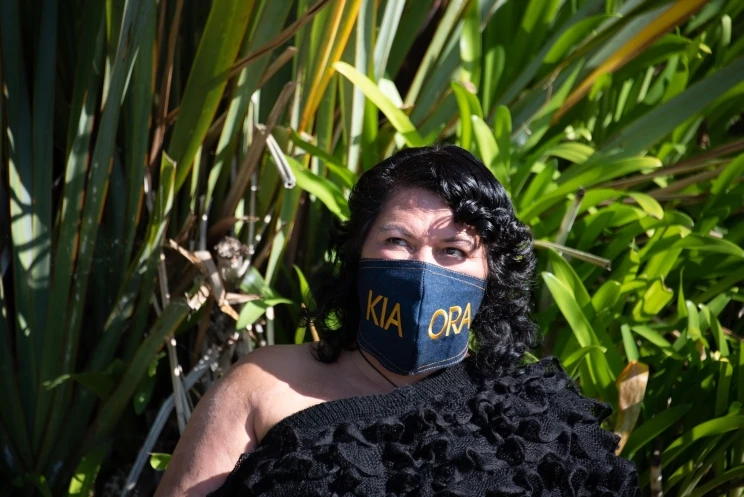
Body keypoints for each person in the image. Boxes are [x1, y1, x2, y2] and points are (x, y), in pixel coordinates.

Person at [155, 145, 639, 496]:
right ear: (358, 255)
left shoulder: (540, 421)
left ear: (491, 275)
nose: (422, 270)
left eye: (453, 250)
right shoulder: (263, 386)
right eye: (398, 242)